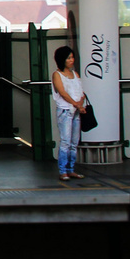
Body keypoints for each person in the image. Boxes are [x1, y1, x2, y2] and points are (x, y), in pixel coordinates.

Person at [51, 46, 87, 181]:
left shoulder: (75, 74)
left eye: (72, 57)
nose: (72, 60)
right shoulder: (57, 75)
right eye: (69, 58)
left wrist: (80, 103)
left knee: (74, 142)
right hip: (65, 110)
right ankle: (63, 171)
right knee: (66, 141)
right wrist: (77, 104)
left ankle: (71, 169)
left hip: (76, 110)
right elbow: (62, 93)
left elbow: (81, 92)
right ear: (62, 60)